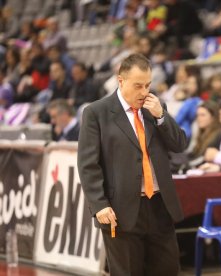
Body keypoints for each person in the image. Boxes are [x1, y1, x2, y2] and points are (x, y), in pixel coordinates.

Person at [77, 53, 188, 275]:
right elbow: (88, 164)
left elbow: (179, 144)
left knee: (167, 270)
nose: (144, 92)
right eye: (138, 86)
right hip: (120, 210)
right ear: (121, 81)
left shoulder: (155, 107)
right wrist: (99, 204)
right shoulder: (96, 112)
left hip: (159, 205)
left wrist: (161, 116)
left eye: (147, 85)